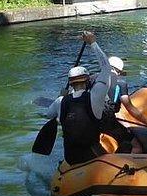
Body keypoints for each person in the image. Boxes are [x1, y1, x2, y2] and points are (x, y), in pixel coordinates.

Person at [44, 32, 115, 164]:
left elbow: (49, 115)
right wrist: (93, 43)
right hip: (91, 157)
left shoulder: (61, 101)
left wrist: (60, 97)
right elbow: (106, 68)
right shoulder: (96, 95)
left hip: (71, 158)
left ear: (70, 83)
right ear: (88, 80)